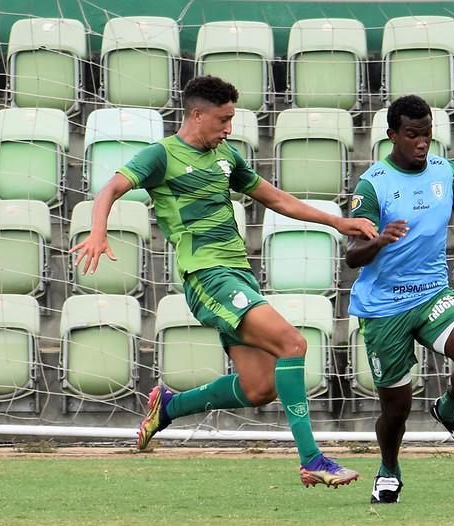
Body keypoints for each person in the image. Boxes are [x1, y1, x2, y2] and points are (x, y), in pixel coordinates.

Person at [70, 75, 376, 488]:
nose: (229, 128)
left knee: (260, 388)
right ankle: (312, 459)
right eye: (224, 119)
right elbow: (110, 188)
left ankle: (170, 406)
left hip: (239, 276)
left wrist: (340, 222)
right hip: (206, 277)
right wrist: (98, 231)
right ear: (197, 115)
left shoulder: (227, 157)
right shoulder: (162, 155)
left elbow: (277, 199)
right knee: (294, 344)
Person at [345, 95, 454, 504]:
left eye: (427, 135)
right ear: (392, 135)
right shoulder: (373, 185)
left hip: (431, 294)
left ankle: (448, 409)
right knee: (396, 409)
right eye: (412, 135)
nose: (422, 143)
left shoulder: (444, 171)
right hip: (384, 308)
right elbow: (351, 257)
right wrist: (378, 239)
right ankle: (389, 469)